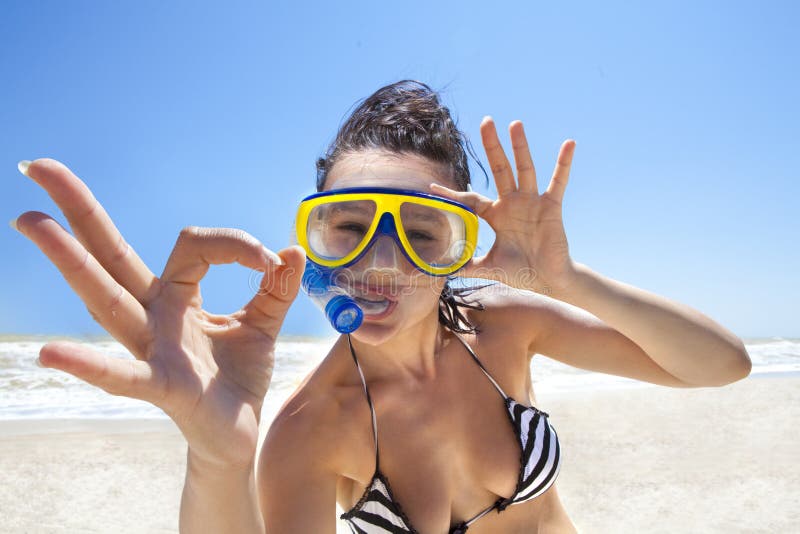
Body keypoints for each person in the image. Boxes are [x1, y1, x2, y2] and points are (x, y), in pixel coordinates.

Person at [12, 80, 751, 533]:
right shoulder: (311, 429)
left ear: (460, 244)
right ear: (316, 240)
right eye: (352, 229)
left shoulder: (504, 324)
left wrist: (567, 281)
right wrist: (215, 460)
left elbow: (722, 366)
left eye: (421, 232)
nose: (383, 263)